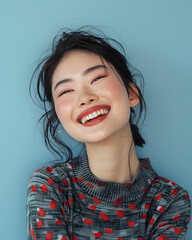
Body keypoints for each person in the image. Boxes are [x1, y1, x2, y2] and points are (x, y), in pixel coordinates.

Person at [27, 26, 191, 240]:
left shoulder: (170, 201)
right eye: (66, 91)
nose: (84, 97)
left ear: (132, 93)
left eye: (97, 78)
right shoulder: (50, 185)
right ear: (60, 118)